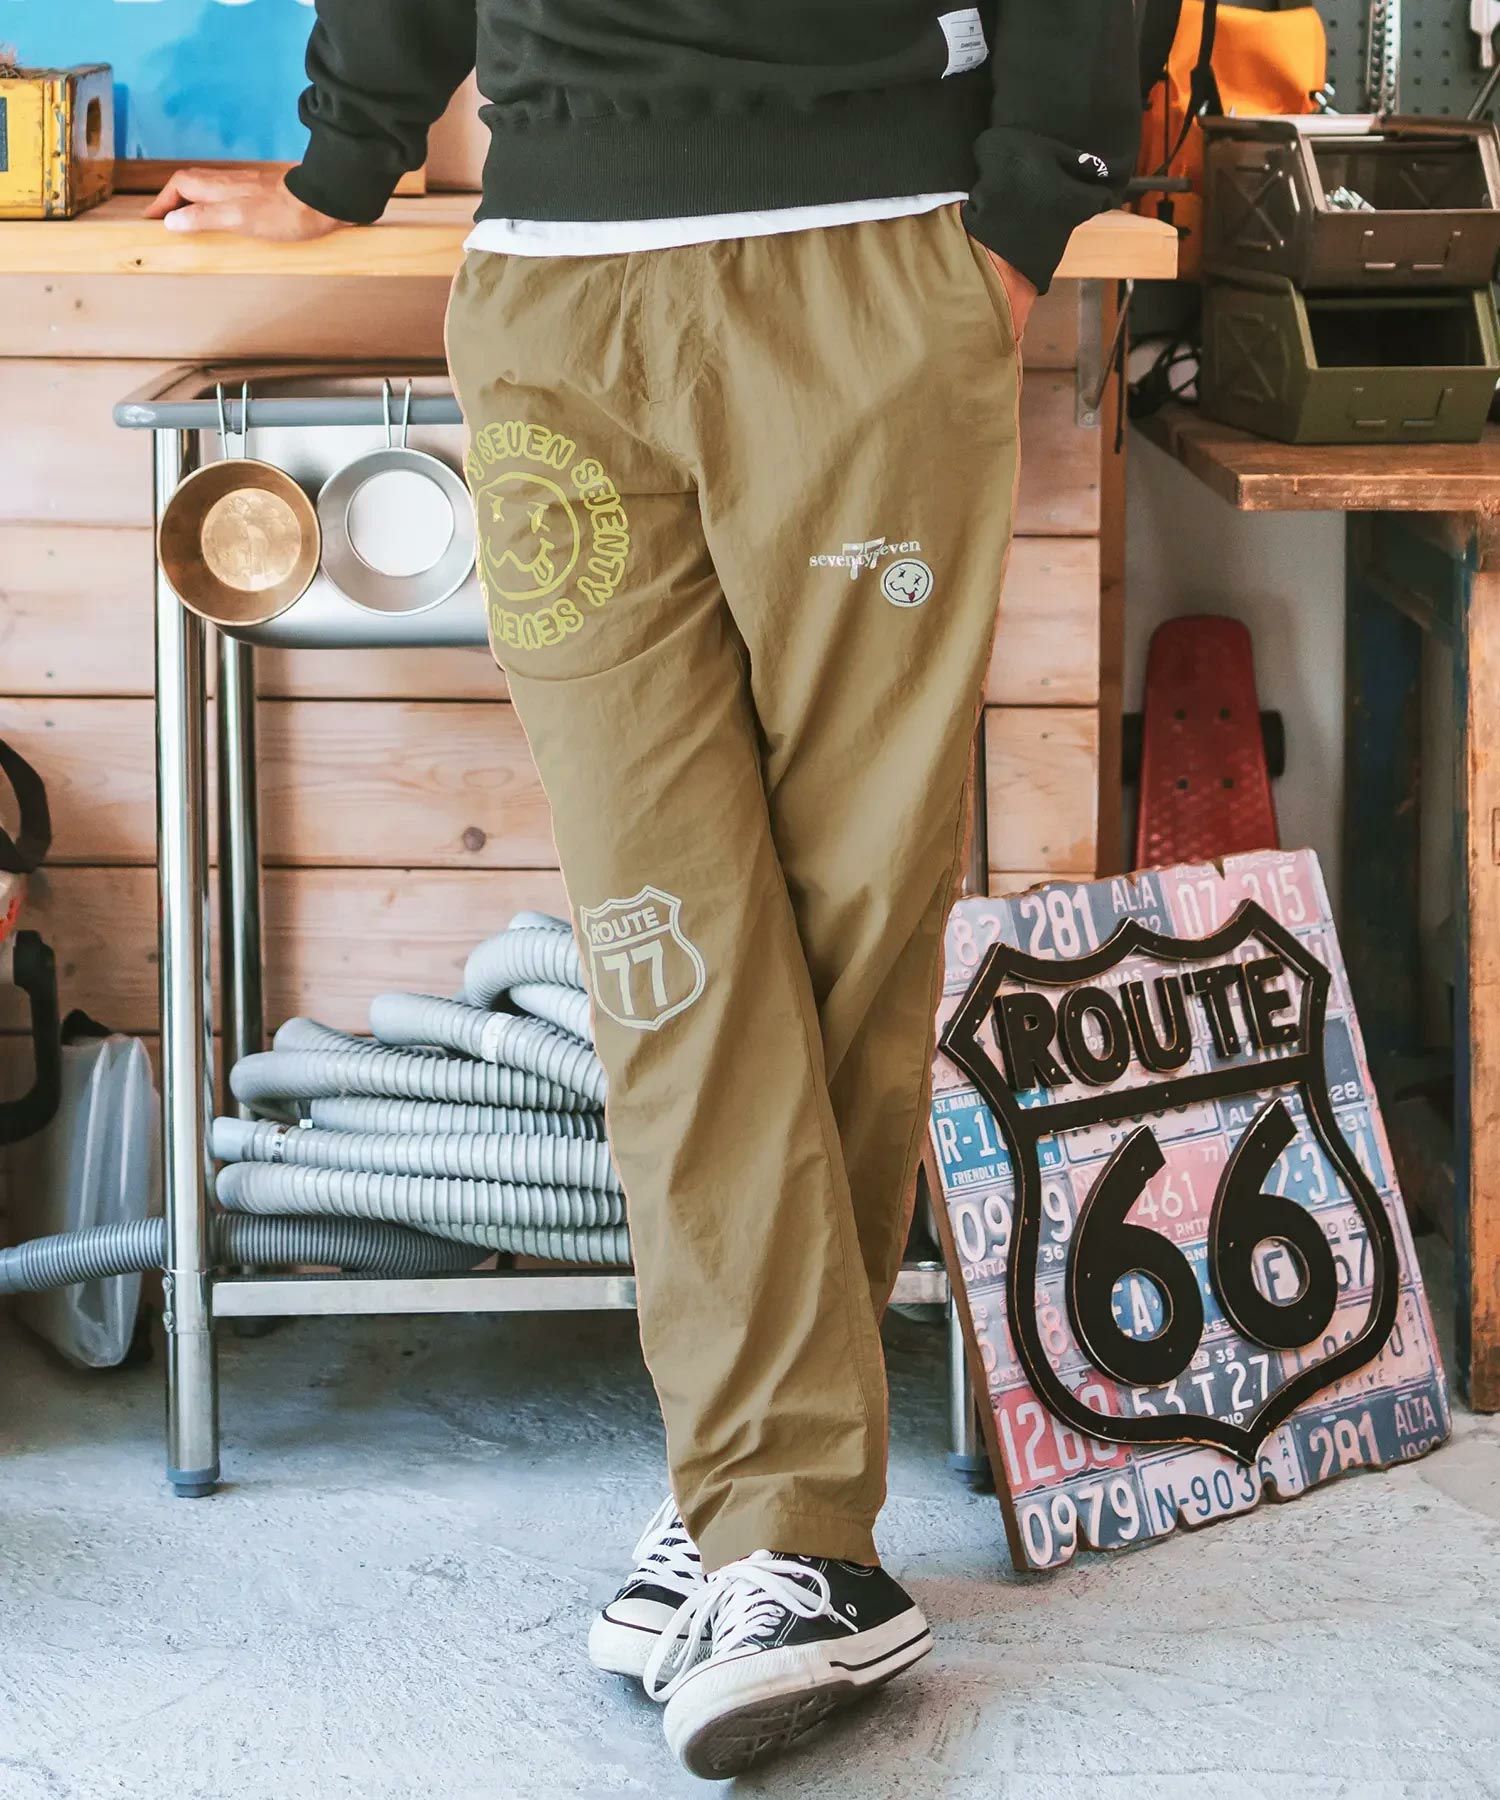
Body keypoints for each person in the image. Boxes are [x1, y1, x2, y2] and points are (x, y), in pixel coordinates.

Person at [149, 2, 1140, 1778]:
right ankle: (767, 1506)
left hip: (868, 252)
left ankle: (765, 1512)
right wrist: (342, 157)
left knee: (846, 915)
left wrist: (1027, 207)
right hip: (561, 285)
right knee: (661, 933)